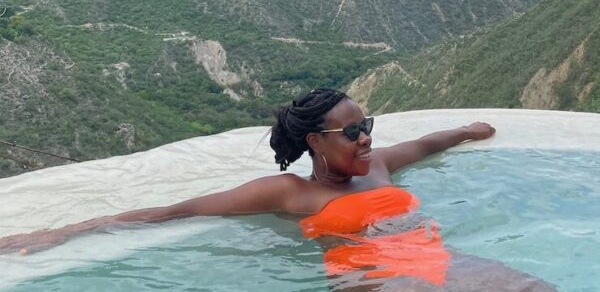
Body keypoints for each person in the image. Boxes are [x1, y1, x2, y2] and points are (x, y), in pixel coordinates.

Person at [0, 88, 556, 291]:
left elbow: (426, 144)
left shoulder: (378, 165)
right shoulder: (291, 194)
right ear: (317, 141)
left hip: (444, 264)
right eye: (354, 131)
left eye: (370, 127)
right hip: (374, 282)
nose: (367, 139)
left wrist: (465, 130)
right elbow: (175, 210)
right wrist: (63, 233)